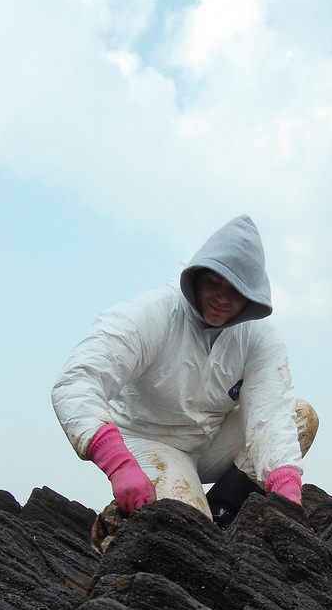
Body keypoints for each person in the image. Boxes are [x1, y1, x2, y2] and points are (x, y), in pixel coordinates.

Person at [52, 215, 318, 527]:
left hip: (208, 443)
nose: (221, 298)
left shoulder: (258, 335)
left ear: (250, 296)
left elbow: (271, 414)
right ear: (195, 277)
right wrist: (117, 463)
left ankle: (222, 511)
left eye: (235, 290)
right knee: (189, 530)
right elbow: (76, 382)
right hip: (148, 441)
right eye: (214, 283)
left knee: (301, 416)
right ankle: (123, 524)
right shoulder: (155, 313)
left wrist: (287, 497)